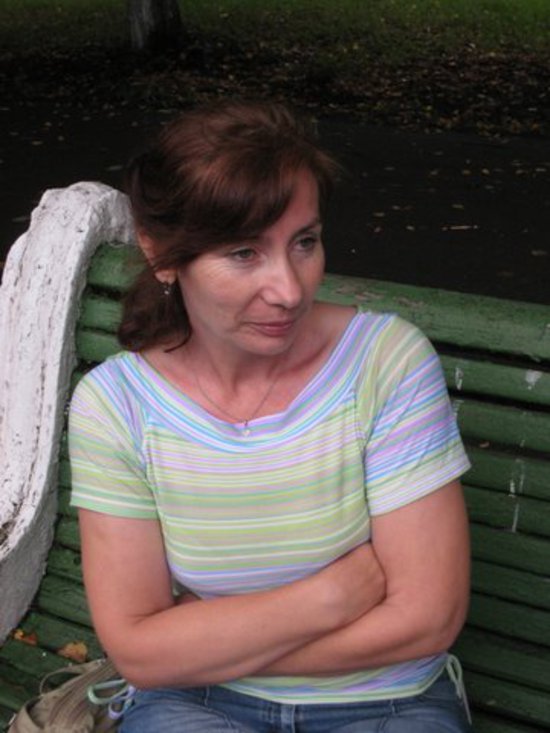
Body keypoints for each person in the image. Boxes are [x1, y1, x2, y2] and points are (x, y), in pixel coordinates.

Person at [69, 100, 473, 732]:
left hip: (389, 703)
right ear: (163, 254)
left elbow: (427, 619)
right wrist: (330, 597)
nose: (289, 289)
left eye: (304, 242)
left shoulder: (385, 363)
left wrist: (200, 644)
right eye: (243, 253)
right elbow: (139, 651)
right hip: (194, 704)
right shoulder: (117, 405)